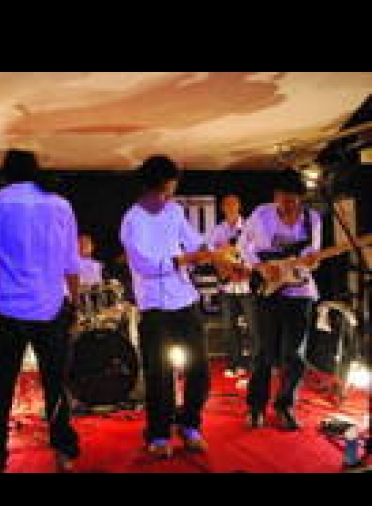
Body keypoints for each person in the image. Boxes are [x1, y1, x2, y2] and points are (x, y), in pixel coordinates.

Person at [0, 149, 81, 473]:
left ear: (5, 174)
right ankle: (63, 450)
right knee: (55, 383)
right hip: (49, 307)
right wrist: (75, 302)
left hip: (9, 307)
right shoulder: (61, 205)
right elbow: (71, 262)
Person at [120, 156, 212, 458]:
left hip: (184, 298)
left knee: (200, 368)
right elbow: (145, 266)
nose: (169, 195)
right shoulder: (132, 220)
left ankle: (190, 425)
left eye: (170, 189)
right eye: (165, 190)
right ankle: (159, 434)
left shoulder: (174, 211)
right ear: (152, 188)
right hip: (154, 305)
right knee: (159, 373)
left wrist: (216, 255)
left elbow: (195, 242)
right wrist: (185, 259)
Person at [237, 171, 322, 430]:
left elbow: (313, 253)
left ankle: (285, 406)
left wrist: (310, 261)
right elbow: (243, 246)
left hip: (299, 291)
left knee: (294, 355)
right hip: (268, 290)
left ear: (301, 199)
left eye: (294, 201)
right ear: (275, 197)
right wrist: (260, 266)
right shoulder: (261, 214)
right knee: (263, 352)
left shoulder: (312, 218)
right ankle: (256, 407)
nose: (288, 206)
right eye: (284, 200)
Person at [207, 194, 257, 379]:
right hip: (227, 286)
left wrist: (244, 268)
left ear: (239, 206)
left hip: (247, 284)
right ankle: (234, 364)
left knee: (253, 327)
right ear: (222, 208)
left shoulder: (249, 227)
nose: (230, 208)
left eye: (234, 204)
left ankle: (253, 367)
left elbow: (256, 251)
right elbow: (210, 254)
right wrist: (225, 264)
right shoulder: (217, 230)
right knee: (229, 327)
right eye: (227, 205)